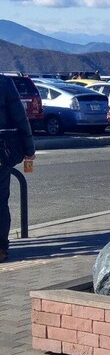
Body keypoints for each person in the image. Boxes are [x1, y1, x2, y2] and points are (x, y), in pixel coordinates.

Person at [0, 75, 35, 263]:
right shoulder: (4, 83)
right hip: (1, 151)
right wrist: (29, 149)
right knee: (0, 201)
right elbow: (20, 118)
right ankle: (0, 248)